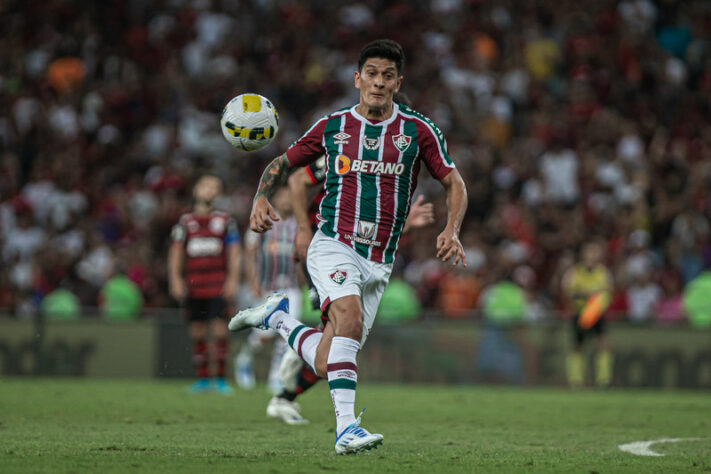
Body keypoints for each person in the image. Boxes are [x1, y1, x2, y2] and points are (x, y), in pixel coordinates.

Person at [229, 39, 467, 454]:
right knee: (349, 318)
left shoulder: (418, 130)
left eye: (388, 75)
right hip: (334, 243)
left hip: (381, 259)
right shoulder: (333, 127)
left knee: (326, 362)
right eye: (371, 74)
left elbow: (454, 182)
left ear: (398, 82)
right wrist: (261, 197)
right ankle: (346, 431)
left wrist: (452, 228)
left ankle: (279, 320)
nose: (379, 82)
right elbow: (284, 165)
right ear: (358, 79)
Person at [265, 156, 435, 425]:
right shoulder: (347, 149)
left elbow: (373, 234)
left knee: (334, 354)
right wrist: (302, 230)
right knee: (340, 342)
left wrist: (406, 224)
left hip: (351, 255)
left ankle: (289, 373)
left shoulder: (392, 174)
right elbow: (298, 180)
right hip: (326, 249)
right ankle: (294, 351)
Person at [168, 175, 241, 394]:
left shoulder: (226, 221)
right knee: (198, 331)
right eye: (205, 185)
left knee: (220, 330)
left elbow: (234, 252)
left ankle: (219, 379)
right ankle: (201, 379)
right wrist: (175, 279)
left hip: (217, 283)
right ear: (196, 190)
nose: (209, 190)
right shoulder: (185, 222)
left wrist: (233, 280)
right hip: (194, 284)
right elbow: (176, 252)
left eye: (214, 187)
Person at [235, 186, 303, 395]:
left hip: (291, 286)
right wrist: (252, 280)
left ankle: (277, 377)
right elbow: (250, 251)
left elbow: (303, 257)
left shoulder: (300, 225)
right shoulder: (264, 220)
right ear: (274, 199)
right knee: (262, 334)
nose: (286, 201)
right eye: (283, 196)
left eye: (290, 197)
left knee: (287, 334)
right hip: (267, 286)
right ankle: (245, 357)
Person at [561, 241, 614, 388]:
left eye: (594, 252)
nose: (591, 255)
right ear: (583, 255)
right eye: (588, 252)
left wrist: (595, 302)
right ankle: (576, 380)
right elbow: (567, 293)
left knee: (602, 344)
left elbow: (609, 293)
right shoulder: (574, 273)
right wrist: (586, 296)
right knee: (577, 346)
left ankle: (603, 380)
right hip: (580, 313)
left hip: (597, 313)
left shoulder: (603, 273)